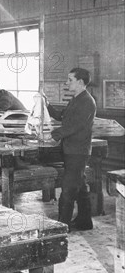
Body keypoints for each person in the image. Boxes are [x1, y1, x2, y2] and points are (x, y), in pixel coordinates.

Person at [45, 68, 96, 231]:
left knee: (67, 188)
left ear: (80, 82)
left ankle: (62, 226)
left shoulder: (87, 101)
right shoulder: (76, 99)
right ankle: (84, 222)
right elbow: (62, 116)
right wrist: (46, 104)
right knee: (79, 185)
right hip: (71, 149)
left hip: (78, 151)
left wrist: (54, 135)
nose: (67, 83)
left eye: (70, 80)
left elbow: (74, 126)